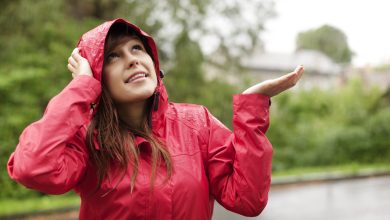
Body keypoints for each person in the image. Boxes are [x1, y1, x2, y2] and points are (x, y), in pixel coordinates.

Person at [7, 18, 304, 220]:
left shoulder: (197, 123)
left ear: (154, 63)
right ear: (98, 76)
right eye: (113, 56)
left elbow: (247, 199)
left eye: (137, 48)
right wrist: (81, 88)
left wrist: (251, 109)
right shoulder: (88, 138)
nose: (133, 59)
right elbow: (32, 168)